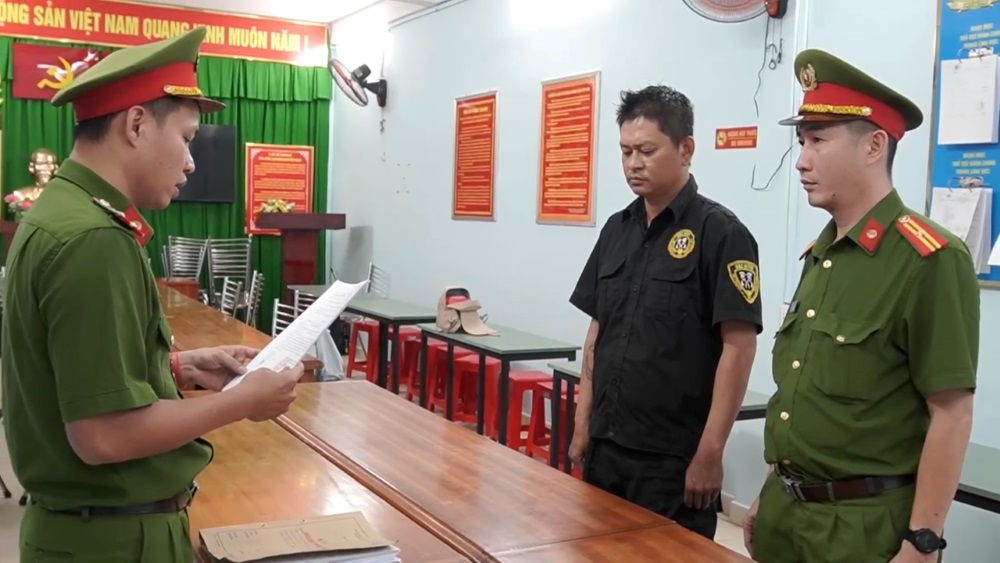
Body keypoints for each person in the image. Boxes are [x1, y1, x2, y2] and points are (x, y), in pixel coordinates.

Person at [1, 27, 304, 562]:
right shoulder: (93, 238)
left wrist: (182, 367)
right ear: (136, 124)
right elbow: (103, 436)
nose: (191, 162)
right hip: (114, 544)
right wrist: (241, 402)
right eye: (187, 138)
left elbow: (69, 374)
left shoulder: (64, 213)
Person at [742, 49, 979, 563]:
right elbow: (799, 391)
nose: (802, 159)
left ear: (874, 146)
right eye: (801, 141)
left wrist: (923, 541)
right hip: (787, 513)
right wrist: (768, 491)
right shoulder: (821, 254)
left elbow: (953, 414)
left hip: (861, 530)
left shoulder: (929, 259)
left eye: (818, 141)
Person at [567, 85, 763, 539]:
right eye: (625, 151)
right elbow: (598, 330)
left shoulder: (722, 234)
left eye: (647, 150)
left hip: (672, 463)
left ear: (686, 148)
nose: (633, 163)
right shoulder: (617, 228)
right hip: (606, 447)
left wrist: (710, 453)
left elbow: (739, 347)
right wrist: (582, 426)